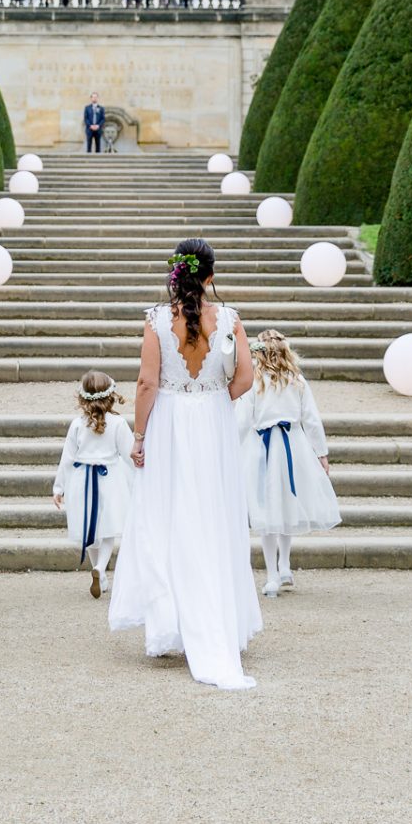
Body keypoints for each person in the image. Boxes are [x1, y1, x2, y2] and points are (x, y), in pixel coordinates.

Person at [109, 238, 262, 691]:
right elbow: (247, 377)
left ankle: (172, 621)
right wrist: (216, 402)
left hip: (170, 424)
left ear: (174, 274)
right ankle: (219, 622)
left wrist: (139, 436)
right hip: (212, 423)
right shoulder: (230, 318)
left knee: (167, 518)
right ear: (210, 276)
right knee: (214, 519)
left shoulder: (158, 319)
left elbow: (145, 383)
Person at [238, 330, 339, 597]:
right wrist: (320, 452)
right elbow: (312, 420)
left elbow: (242, 421)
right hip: (293, 446)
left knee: (267, 509)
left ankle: (273, 571)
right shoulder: (297, 380)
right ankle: (284, 566)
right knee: (285, 505)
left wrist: (232, 448)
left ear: (259, 353)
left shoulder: (254, 383)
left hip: (263, 450)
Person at [54, 370, 136, 599]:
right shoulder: (118, 423)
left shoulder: (77, 425)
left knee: (87, 528)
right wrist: (143, 476)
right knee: (108, 528)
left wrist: (58, 487)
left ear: (82, 398)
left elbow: (67, 457)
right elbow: (130, 455)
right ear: (111, 396)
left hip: (81, 480)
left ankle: (100, 573)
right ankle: (101, 568)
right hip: (110, 479)